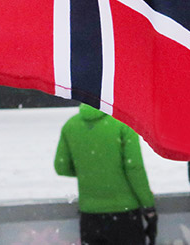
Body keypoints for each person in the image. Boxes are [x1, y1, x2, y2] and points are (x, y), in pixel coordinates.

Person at [54, 104, 158, 245]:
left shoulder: (70, 126)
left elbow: (61, 167)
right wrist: (148, 205)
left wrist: (89, 170)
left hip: (90, 215)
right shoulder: (124, 124)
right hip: (125, 214)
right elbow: (134, 168)